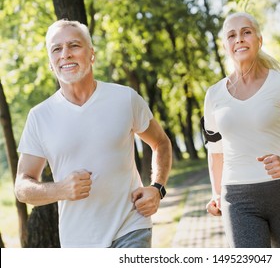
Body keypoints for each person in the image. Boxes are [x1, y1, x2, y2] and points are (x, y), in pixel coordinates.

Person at [14, 19, 172, 248]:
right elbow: (22, 187)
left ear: (92, 55)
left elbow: (161, 143)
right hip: (78, 241)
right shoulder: (40, 117)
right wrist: (61, 189)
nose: (65, 54)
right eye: (56, 49)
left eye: (74, 45)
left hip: (131, 227)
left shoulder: (125, 99)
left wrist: (157, 188)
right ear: (50, 62)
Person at [203, 12, 280, 248]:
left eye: (246, 32)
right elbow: (215, 151)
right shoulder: (213, 95)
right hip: (237, 198)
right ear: (225, 46)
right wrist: (216, 193)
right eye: (232, 35)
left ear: (259, 39)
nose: (239, 39)